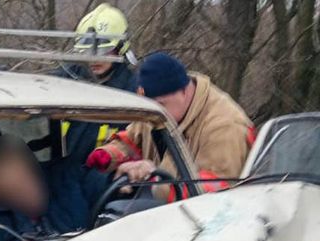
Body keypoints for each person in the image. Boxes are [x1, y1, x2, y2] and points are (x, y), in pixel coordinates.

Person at [86, 52, 256, 201]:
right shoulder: (158, 113)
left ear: (184, 91)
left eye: (161, 104)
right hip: (165, 211)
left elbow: (217, 189)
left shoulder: (225, 126)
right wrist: (109, 155)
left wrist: (155, 181)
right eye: (150, 107)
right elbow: (133, 139)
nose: (153, 115)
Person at [0, 135, 109, 241]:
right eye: (14, 192)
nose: (29, 192)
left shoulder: (73, 179)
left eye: (27, 179)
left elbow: (112, 188)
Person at [53, 3, 137, 161]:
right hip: (64, 172)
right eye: (87, 50)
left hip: (106, 176)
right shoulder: (65, 80)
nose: (94, 58)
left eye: (103, 51)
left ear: (121, 48)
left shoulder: (133, 93)